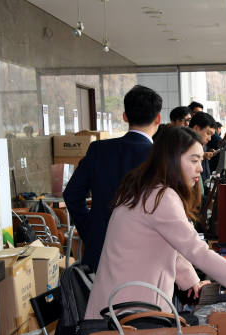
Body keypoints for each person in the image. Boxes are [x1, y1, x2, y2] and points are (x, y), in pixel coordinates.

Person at [84, 126, 226, 319]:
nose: (200, 168)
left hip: (121, 308)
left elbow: (171, 245)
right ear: (172, 159)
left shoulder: (148, 189)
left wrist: (189, 279)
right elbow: (197, 251)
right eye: (194, 160)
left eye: (200, 160)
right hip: (127, 316)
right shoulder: (161, 196)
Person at [63, 84, 162, 271]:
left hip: (101, 250)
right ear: (158, 118)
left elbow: (72, 194)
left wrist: (90, 230)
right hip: (147, 256)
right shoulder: (161, 156)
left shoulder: (98, 150)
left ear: (125, 116)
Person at [189, 111, 217, 185]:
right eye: (208, 133)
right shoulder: (184, 149)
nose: (209, 139)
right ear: (196, 129)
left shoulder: (202, 146)